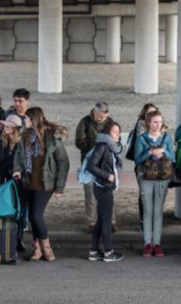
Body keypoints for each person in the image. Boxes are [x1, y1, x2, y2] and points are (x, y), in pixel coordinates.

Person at [12, 107, 69, 262]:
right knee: (32, 217)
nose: (25, 121)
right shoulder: (24, 136)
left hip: (46, 183)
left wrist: (59, 187)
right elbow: (18, 155)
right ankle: (37, 248)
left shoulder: (52, 137)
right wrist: (17, 170)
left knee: (37, 216)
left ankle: (46, 246)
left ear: (35, 120)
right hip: (28, 182)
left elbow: (63, 162)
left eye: (27, 119)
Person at [134, 110, 175, 257]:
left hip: (162, 177)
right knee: (148, 211)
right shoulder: (141, 138)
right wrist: (150, 153)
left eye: (160, 122)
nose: (158, 125)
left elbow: (173, 158)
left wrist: (163, 151)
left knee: (158, 211)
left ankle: (157, 243)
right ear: (148, 123)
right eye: (155, 122)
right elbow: (137, 159)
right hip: (146, 177)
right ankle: (147, 243)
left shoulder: (167, 138)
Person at [84, 121, 125, 262]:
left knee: (101, 221)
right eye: (114, 132)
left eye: (118, 132)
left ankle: (94, 251)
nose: (117, 135)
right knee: (106, 221)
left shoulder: (112, 147)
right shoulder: (102, 145)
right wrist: (107, 176)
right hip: (103, 187)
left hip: (106, 187)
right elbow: (91, 166)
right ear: (107, 133)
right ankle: (108, 252)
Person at [75, 102, 116, 233]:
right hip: (89, 163)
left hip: (106, 164)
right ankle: (92, 223)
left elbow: (116, 140)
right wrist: (96, 147)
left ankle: (110, 221)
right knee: (90, 195)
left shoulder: (111, 123)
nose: (100, 119)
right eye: (98, 117)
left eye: (103, 117)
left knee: (108, 194)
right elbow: (79, 142)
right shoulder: (85, 122)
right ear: (94, 111)